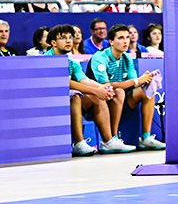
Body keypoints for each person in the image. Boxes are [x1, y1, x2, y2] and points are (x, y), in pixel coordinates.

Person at [48, 25, 134, 156]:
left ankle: (108, 141)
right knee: (76, 95)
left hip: (67, 101)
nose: (68, 41)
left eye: (70, 37)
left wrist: (103, 88)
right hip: (48, 102)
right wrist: (96, 91)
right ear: (53, 43)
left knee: (96, 97)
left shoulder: (72, 62)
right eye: (63, 38)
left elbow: (84, 80)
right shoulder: (45, 59)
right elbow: (66, 82)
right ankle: (79, 143)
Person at [88, 24, 165, 151]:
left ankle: (146, 138)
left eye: (127, 37)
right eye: (121, 38)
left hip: (120, 100)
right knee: (119, 92)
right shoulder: (100, 57)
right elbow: (106, 85)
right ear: (111, 42)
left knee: (148, 91)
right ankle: (112, 139)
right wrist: (136, 81)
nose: (125, 41)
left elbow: (134, 82)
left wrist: (145, 80)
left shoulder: (127, 57)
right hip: (98, 100)